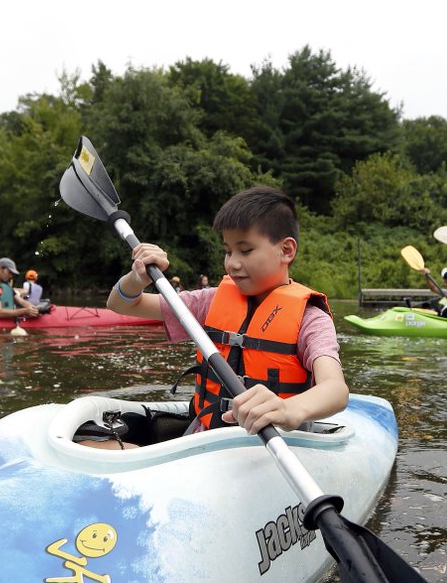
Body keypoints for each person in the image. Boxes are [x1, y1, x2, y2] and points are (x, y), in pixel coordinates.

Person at [106, 185, 347, 436]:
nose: (232, 263)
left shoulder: (310, 319)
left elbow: (335, 389)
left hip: (278, 444)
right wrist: (137, 277)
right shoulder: (209, 302)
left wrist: (289, 409)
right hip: (207, 438)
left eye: (245, 250)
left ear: (286, 250)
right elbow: (121, 304)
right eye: (228, 251)